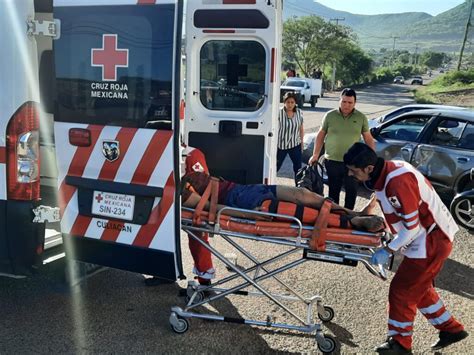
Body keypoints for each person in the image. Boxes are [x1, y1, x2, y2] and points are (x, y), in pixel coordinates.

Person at [343, 142, 468, 354]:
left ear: (369, 168)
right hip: (429, 236)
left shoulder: (398, 182)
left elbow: (411, 227)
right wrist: (370, 210)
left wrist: (388, 250)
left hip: (431, 240)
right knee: (419, 289)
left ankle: (400, 343)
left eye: (354, 170)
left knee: (401, 291)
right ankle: (451, 329)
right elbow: (388, 200)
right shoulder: (389, 171)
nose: (350, 174)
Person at [182, 170, 385, 232]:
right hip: (244, 201)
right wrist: (253, 214)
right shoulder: (182, 193)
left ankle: (352, 213)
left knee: (303, 194)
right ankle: (352, 222)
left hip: (249, 189)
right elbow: (215, 209)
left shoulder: (184, 174)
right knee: (298, 209)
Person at [308, 88, 375, 209]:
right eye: (344, 101)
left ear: (355, 103)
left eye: (350, 102)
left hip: (353, 164)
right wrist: (315, 155)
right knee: (333, 192)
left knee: (351, 191)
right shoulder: (330, 116)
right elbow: (320, 135)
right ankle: (333, 216)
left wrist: (372, 160)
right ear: (340, 101)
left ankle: (349, 217)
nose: (346, 105)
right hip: (332, 161)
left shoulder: (361, 118)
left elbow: (368, 139)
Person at [277, 92, 304, 183]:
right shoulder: (279, 113)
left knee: (298, 168)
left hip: (295, 144)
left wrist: (302, 143)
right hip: (281, 145)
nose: (290, 104)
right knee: (275, 166)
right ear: (284, 102)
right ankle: (269, 187)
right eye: (288, 102)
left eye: (292, 102)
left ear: (295, 103)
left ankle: (299, 187)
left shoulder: (299, 112)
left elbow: (301, 128)